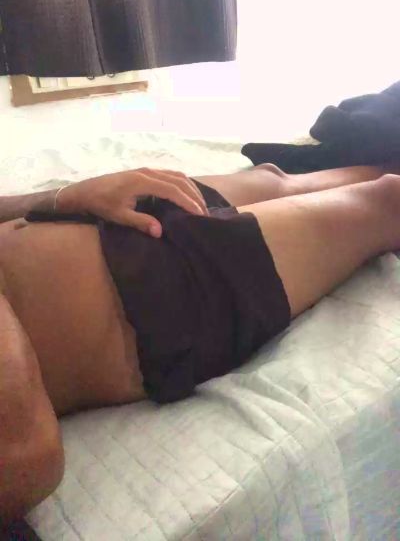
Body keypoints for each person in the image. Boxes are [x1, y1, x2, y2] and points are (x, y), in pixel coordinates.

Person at [1, 161, 399, 523]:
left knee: (276, 179)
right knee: (388, 201)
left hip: (95, 215)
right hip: (154, 295)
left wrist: (61, 197)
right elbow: (29, 459)